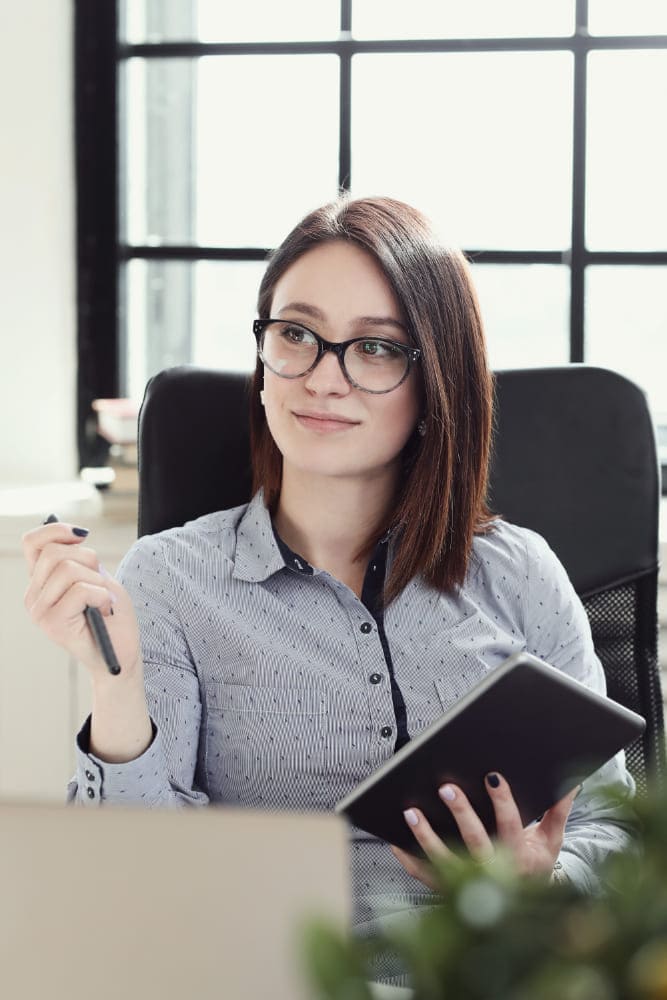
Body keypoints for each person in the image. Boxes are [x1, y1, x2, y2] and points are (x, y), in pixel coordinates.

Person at [23, 196, 636, 987]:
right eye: (295, 335)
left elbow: (612, 826)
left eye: (375, 349)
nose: (322, 378)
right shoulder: (170, 579)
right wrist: (117, 684)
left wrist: (537, 885)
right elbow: (128, 877)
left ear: (434, 381)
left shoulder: (518, 573)